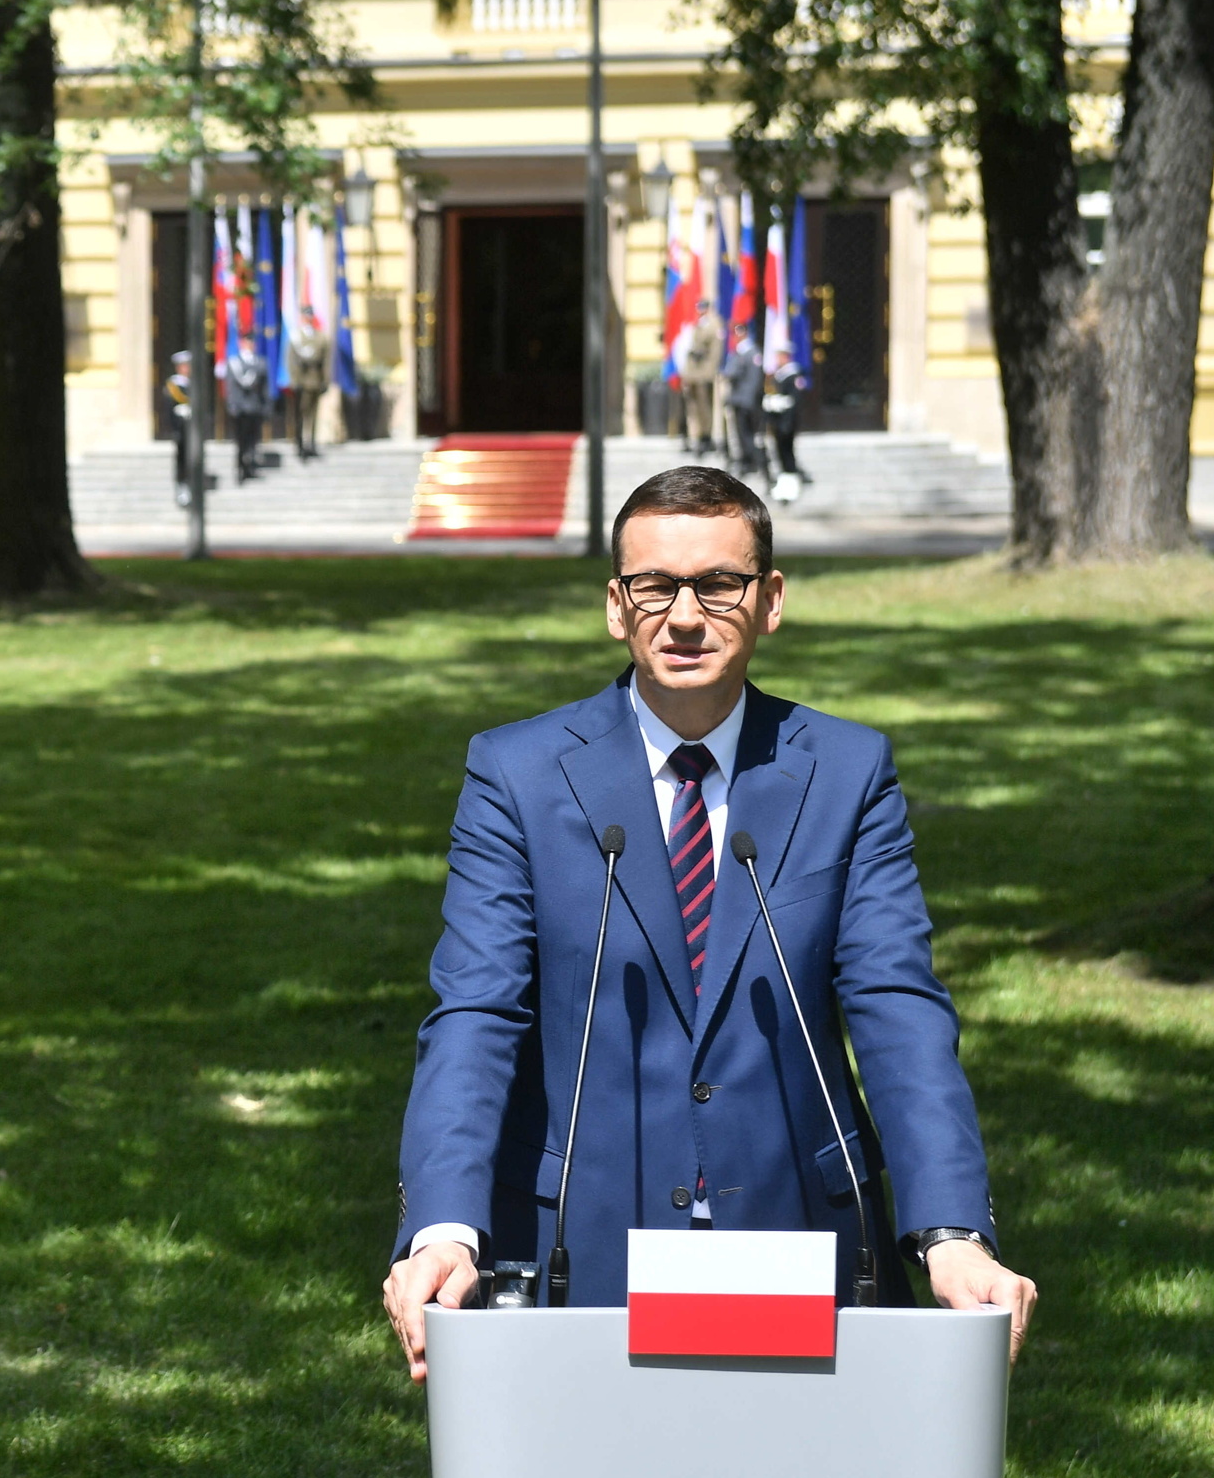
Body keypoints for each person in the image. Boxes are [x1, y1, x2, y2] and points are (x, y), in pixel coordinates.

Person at [380, 465, 1036, 1383]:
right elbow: (476, 1011)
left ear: (770, 601)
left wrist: (952, 1229)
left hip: (800, 1238)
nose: (685, 615)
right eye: (655, 586)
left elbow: (897, 1007)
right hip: (579, 1247)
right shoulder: (517, 776)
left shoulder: (846, 772)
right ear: (617, 606)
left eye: (718, 584)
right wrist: (444, 1227)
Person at [722, 329, 769, 480]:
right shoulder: (739, 353)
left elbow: (754, 380)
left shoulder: (751, 353)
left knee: (748, 433)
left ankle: (752, 461)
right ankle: (746, 459)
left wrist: (748, 401)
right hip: (738, 400)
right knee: (741, 434)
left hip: (746, 401)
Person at [764, 354, 809, 503]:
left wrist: (781, 407)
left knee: (787, 453)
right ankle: (784, 482)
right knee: (780, 453)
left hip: (787, 422)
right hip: (778, 421)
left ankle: (791, 482)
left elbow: (794, 401)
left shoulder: (792, 376)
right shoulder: (779, 375)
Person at [680, 303, 723, 457]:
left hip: (704, 373)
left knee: (705, 408)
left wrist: (709, 373)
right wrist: (687, 374)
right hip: (694, 373)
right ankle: (698, 435)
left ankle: (706, 436)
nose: (699, 311)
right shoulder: (697, 325)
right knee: (695, 407)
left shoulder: (713, 325)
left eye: (702, 308)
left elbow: (715, 353)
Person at [289, 311, 332, 461]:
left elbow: (326, 361)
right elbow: (291, 361)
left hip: (315, 381)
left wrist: (325, 380)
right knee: (300, 414)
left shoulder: (320, 337)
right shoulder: (296, 337)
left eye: (310, 316)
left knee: (313, 415)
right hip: (301, 382)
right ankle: (300, 443)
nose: (308, 319)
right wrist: (295, 381)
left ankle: (311, 443)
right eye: (305, 316)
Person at [224, 343, 269, 485]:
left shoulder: (260, 362)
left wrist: (266, 406)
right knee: (241, 441)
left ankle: (250, 467)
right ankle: (240, 469)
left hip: (254, 408)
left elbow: (264, 388)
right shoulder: (234, 363)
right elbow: (230, 387)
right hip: (240, 409)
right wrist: (232, 406)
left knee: (253, 440)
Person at [165, 350, 197, 510]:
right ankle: (182, 487)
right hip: (181, 430)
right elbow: (169, 408)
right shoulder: (174, 385)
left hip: (193, 430)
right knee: (182, 460)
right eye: (184, 366)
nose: (187, 369)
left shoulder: (192, 383)